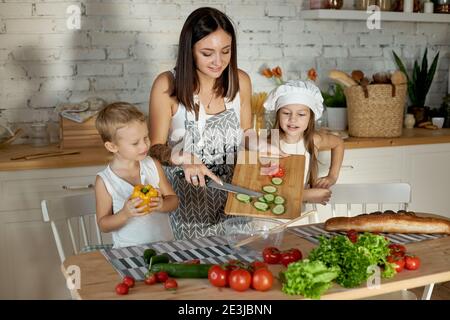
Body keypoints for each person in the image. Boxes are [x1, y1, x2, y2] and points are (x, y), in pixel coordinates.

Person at [148, 7, 254, 240]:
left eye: (226, 51)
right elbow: (154, 149)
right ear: (190, 51)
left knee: (243, 266)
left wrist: (262, 146)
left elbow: (246, 133)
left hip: (237, 202)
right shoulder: (167, 85)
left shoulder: (241, 81)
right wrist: (182, 157)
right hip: (189, 207)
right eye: (207, 53)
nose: (219, 62)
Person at [94, 102, 179, 248]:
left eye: (146, 137)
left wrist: (162, 204)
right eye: (135, 143)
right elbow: (103, 225)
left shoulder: (152, 165)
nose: (145, 146)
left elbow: (174, 201)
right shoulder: (105, 181)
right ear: (112, 146)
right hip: (128, 251)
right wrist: (125, 214)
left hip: (164, 247)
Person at [264, 80, 345, 205]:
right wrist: (306, 195)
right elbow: (265, 191)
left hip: (302, 213)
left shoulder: (314, 140)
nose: (293, 119)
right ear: (278, 115)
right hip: (273, 217)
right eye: (286, 113)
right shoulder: (268, 145)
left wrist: (332, 176)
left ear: (310, 117)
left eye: (301, 114)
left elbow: (338, 143)